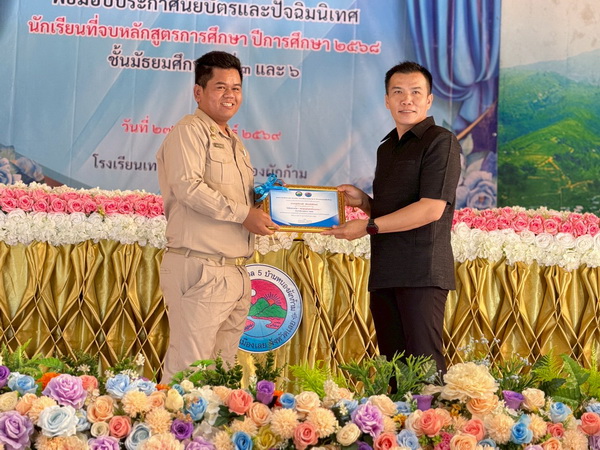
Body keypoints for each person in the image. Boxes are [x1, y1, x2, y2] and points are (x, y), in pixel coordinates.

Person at [322, 61, 461, 374]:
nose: (406, 100)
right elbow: (393, 212)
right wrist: (364, 203)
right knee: (393, 370)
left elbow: (430, 209)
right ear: (387, 100)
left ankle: (431, 410)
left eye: (415, 92)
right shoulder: (387, 148)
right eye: (398, 92)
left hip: (422, 272)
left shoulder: (441, 141)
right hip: (386, 272)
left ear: (429, 100)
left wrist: (368, 226)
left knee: (424, 369)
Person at [156, 51, 278, 383]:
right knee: (189, 373)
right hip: (201, 267)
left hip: (233, 272)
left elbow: (233, 200)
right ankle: (172, 419)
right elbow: (189, 188)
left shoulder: (234, 141)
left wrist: (266, 203)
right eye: (220, 87)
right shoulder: (189, 131)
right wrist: (244, 214)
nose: (230, 95)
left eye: (236, 88)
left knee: (221, 377)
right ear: (198, 92)